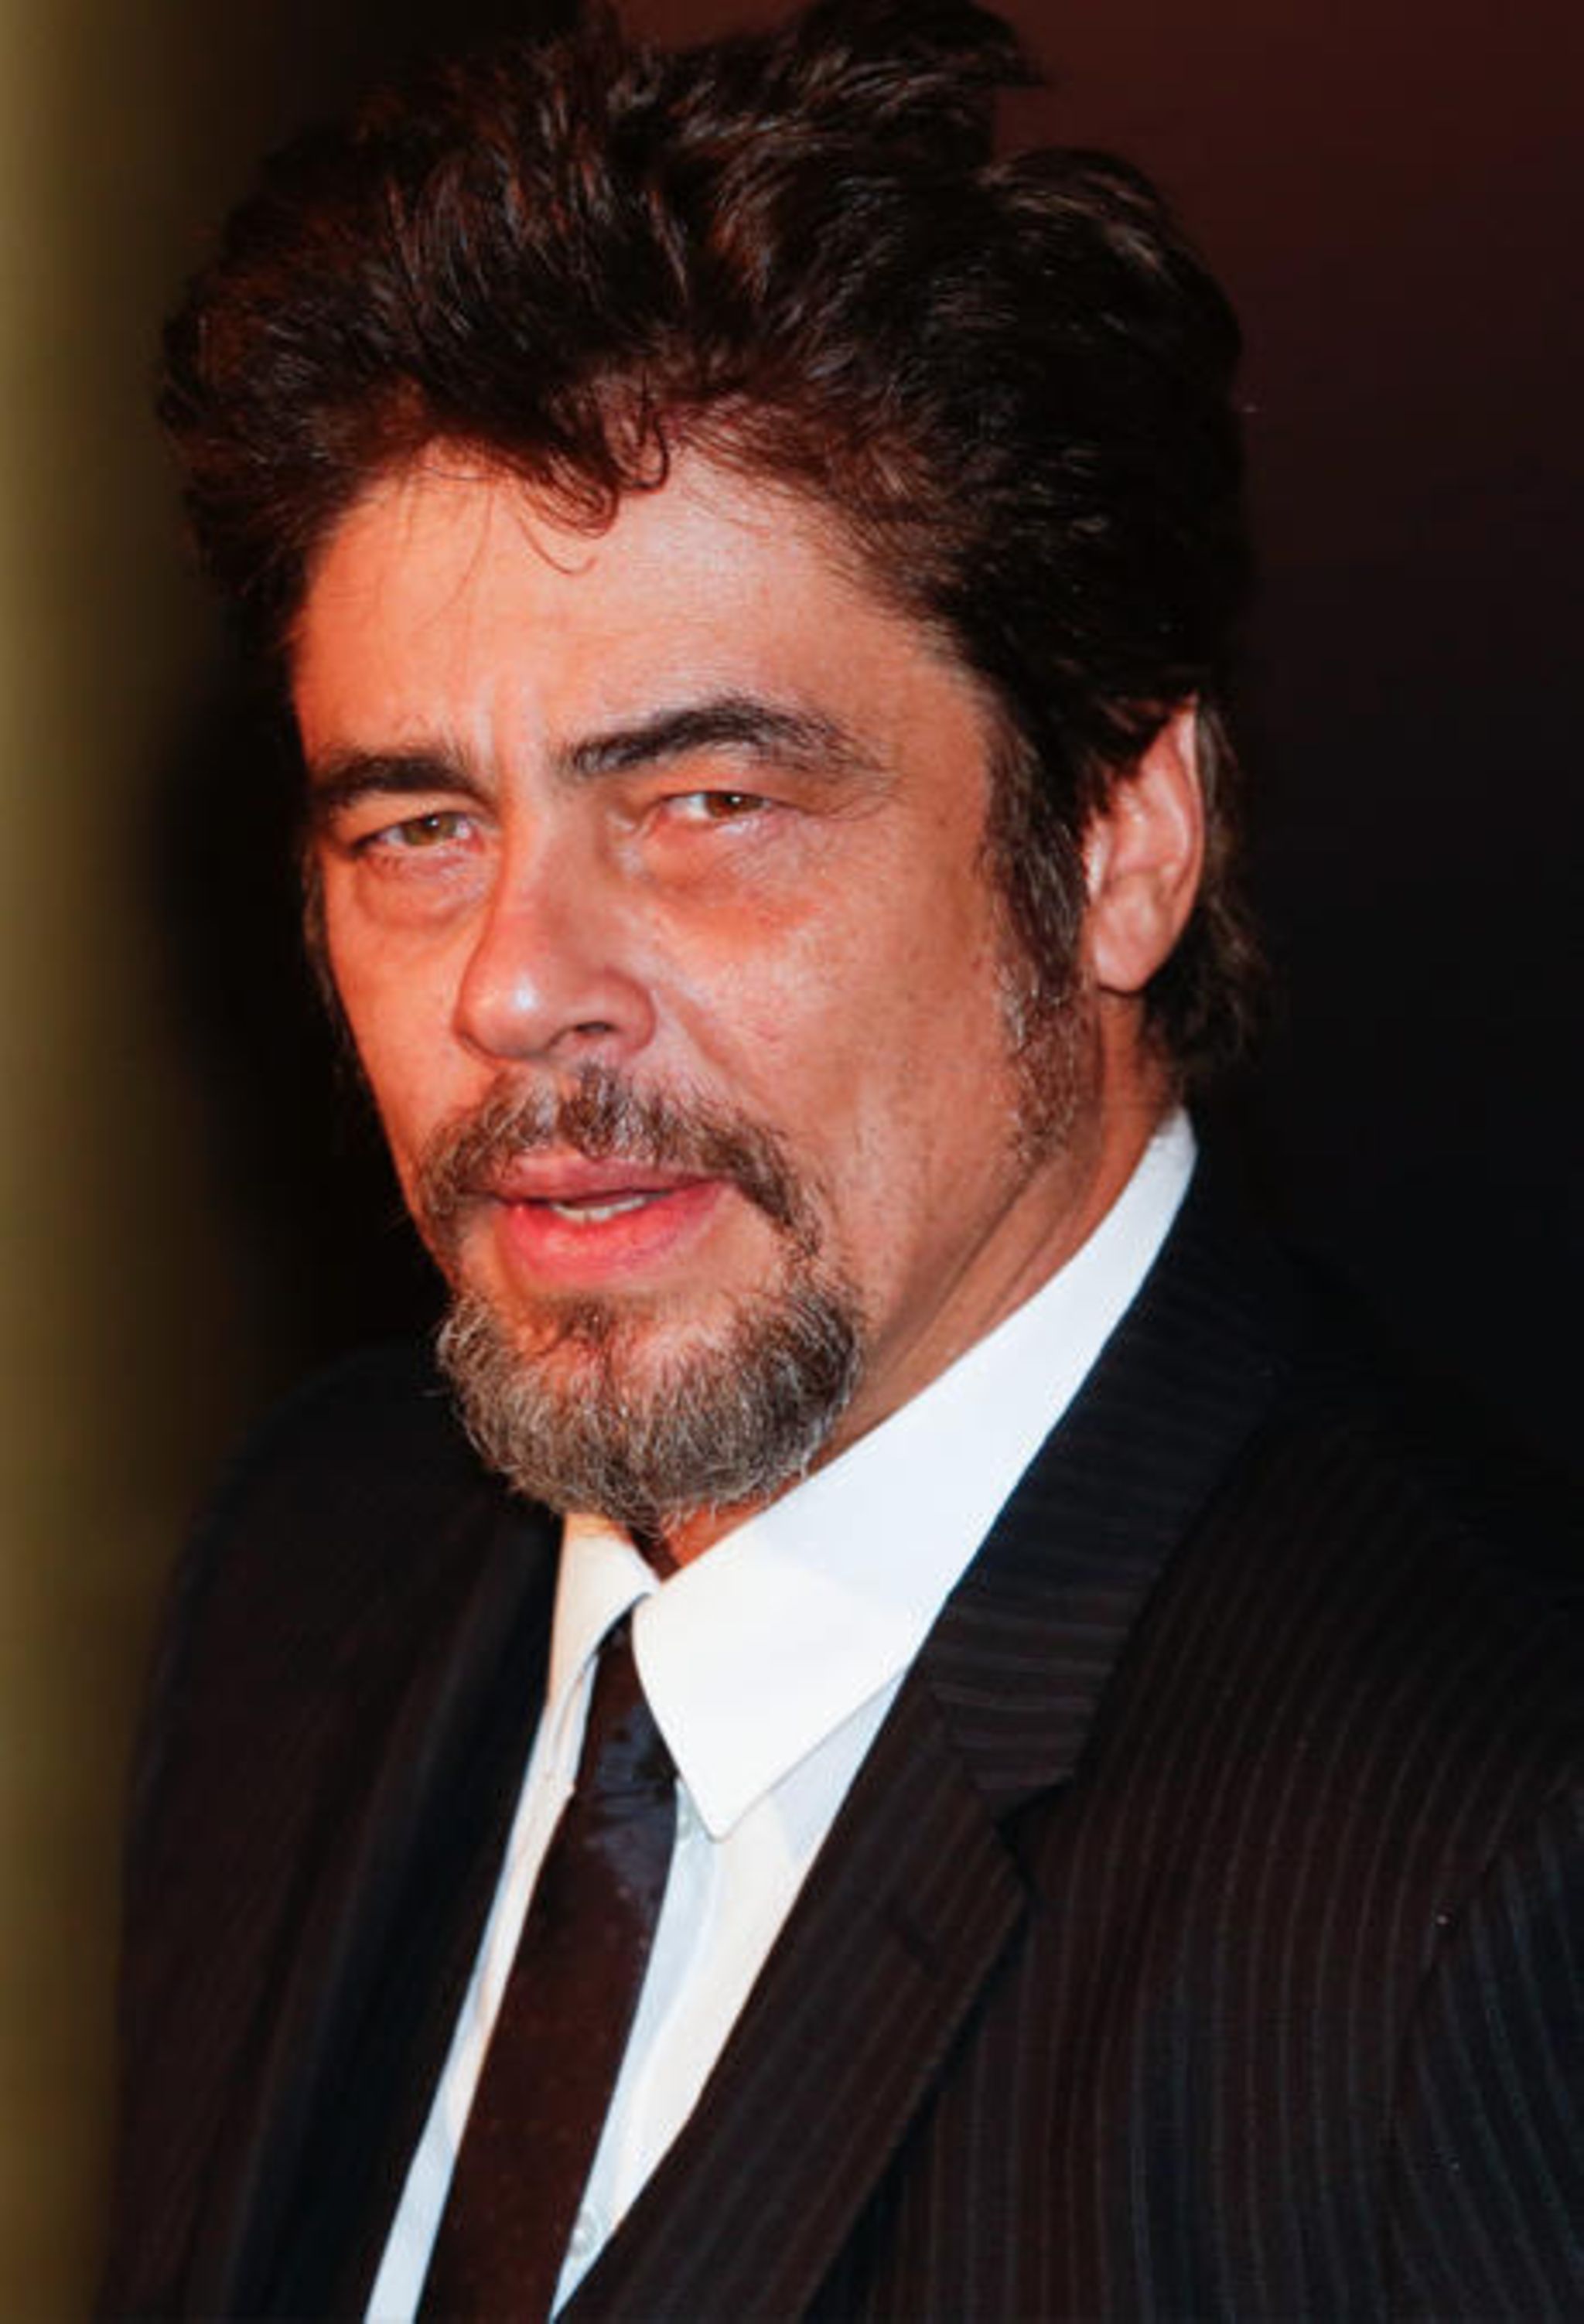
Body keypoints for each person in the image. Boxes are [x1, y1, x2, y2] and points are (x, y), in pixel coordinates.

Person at [101, 2, 1583, 2316]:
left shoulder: (1481, 1863)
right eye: (417, 829)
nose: (516, 985)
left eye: (707, 804)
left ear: (1119, 840)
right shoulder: (317, 1574)